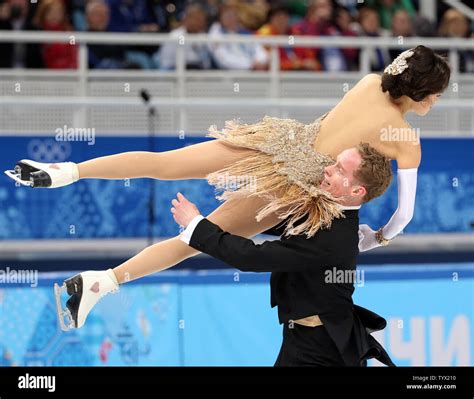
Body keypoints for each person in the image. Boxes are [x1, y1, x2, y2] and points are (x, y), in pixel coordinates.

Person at [6, 46, 450, 328]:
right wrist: (376, 238)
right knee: (194, 239)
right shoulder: (406, 141)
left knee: (163, 164)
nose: (436, 102)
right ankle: (102, 281)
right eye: (437, 94)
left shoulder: (370, 82)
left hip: (275, 141)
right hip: (289, 186)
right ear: (425, 92)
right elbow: (404, 216)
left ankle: (67, 170)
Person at [169, 143, 395, 366]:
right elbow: (274, 223)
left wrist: (196, 226)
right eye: (334, 163)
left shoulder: (333, 237)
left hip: (324, 351)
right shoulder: (328, 211)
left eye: (339, 170)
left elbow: (252, 257)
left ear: (357, 191)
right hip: (306, 339)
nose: (328, 169)